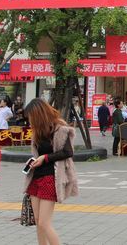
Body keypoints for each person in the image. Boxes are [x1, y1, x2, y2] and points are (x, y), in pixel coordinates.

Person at [23, 98, 78, 245]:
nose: (29, 121)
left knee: (44, 223)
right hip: (36, 178)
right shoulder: (38, 131)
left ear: (38, 114)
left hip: (51, 177)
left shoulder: (60, 128)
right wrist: (34, 161)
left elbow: (68, 152)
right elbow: (38, 154)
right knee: (38, 221)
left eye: (30, 117)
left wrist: (45, 158)